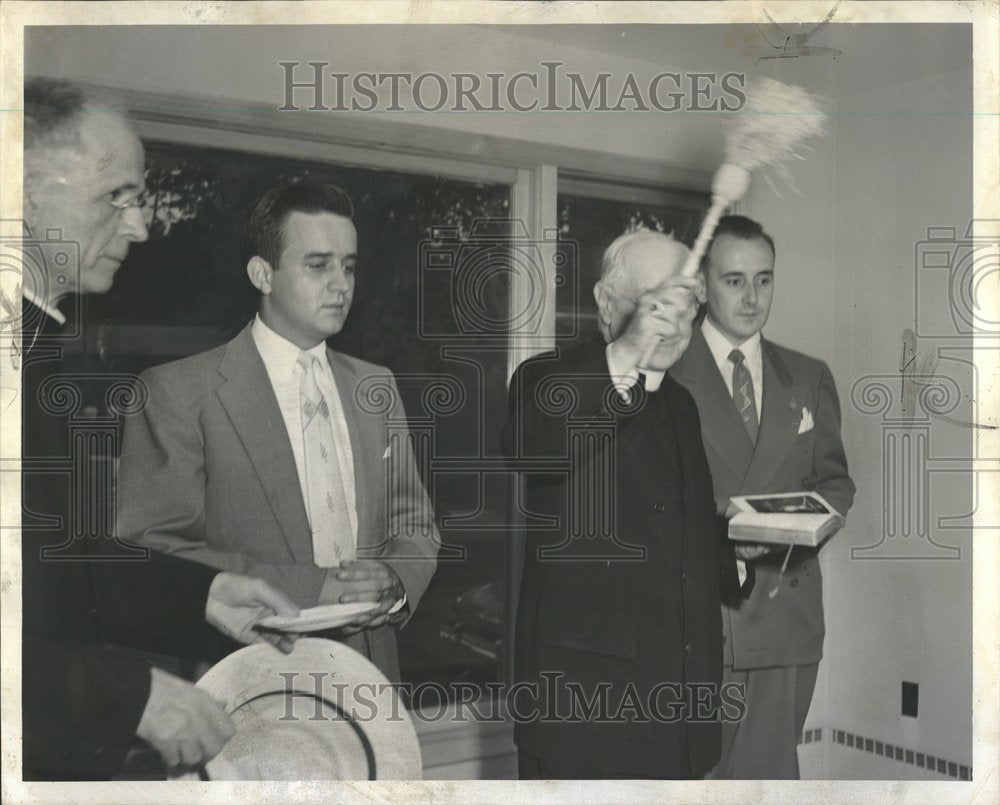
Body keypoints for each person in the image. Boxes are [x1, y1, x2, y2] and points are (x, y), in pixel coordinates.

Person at [19, 77, 303, 780]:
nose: (141, 226)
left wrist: (203, 594)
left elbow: (55, 572)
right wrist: (127, 695)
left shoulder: (30, 343)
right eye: (116, 196)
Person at [116, 182, 440, 682]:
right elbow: (152, 547)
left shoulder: (376, 386)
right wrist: (311, 588)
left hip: (372, 676)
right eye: (319, 265)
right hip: (249, 674)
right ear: (262, 274)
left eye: (349, 266)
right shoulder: (179, 391)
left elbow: (414, 523)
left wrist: (395, 581)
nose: (342, 284)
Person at [503, 230, 750, 779]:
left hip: (682, 722)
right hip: (585, 728)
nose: (671, 323)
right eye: (653, 303)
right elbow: (533, 449)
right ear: (604, 301)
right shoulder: (547, 379)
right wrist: (630, 350)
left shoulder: (682, 405)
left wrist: (735, 554)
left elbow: (673, 538)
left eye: (682, 307)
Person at [670, 215, 855, 779]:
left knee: (770, 782)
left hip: (786, 618)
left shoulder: (808, 375)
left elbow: (835, 483)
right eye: (733, 280)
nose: (752, 298)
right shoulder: (667, 373)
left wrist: (784, 533)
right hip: (700, 623)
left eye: (764, 280)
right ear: (702, 285)